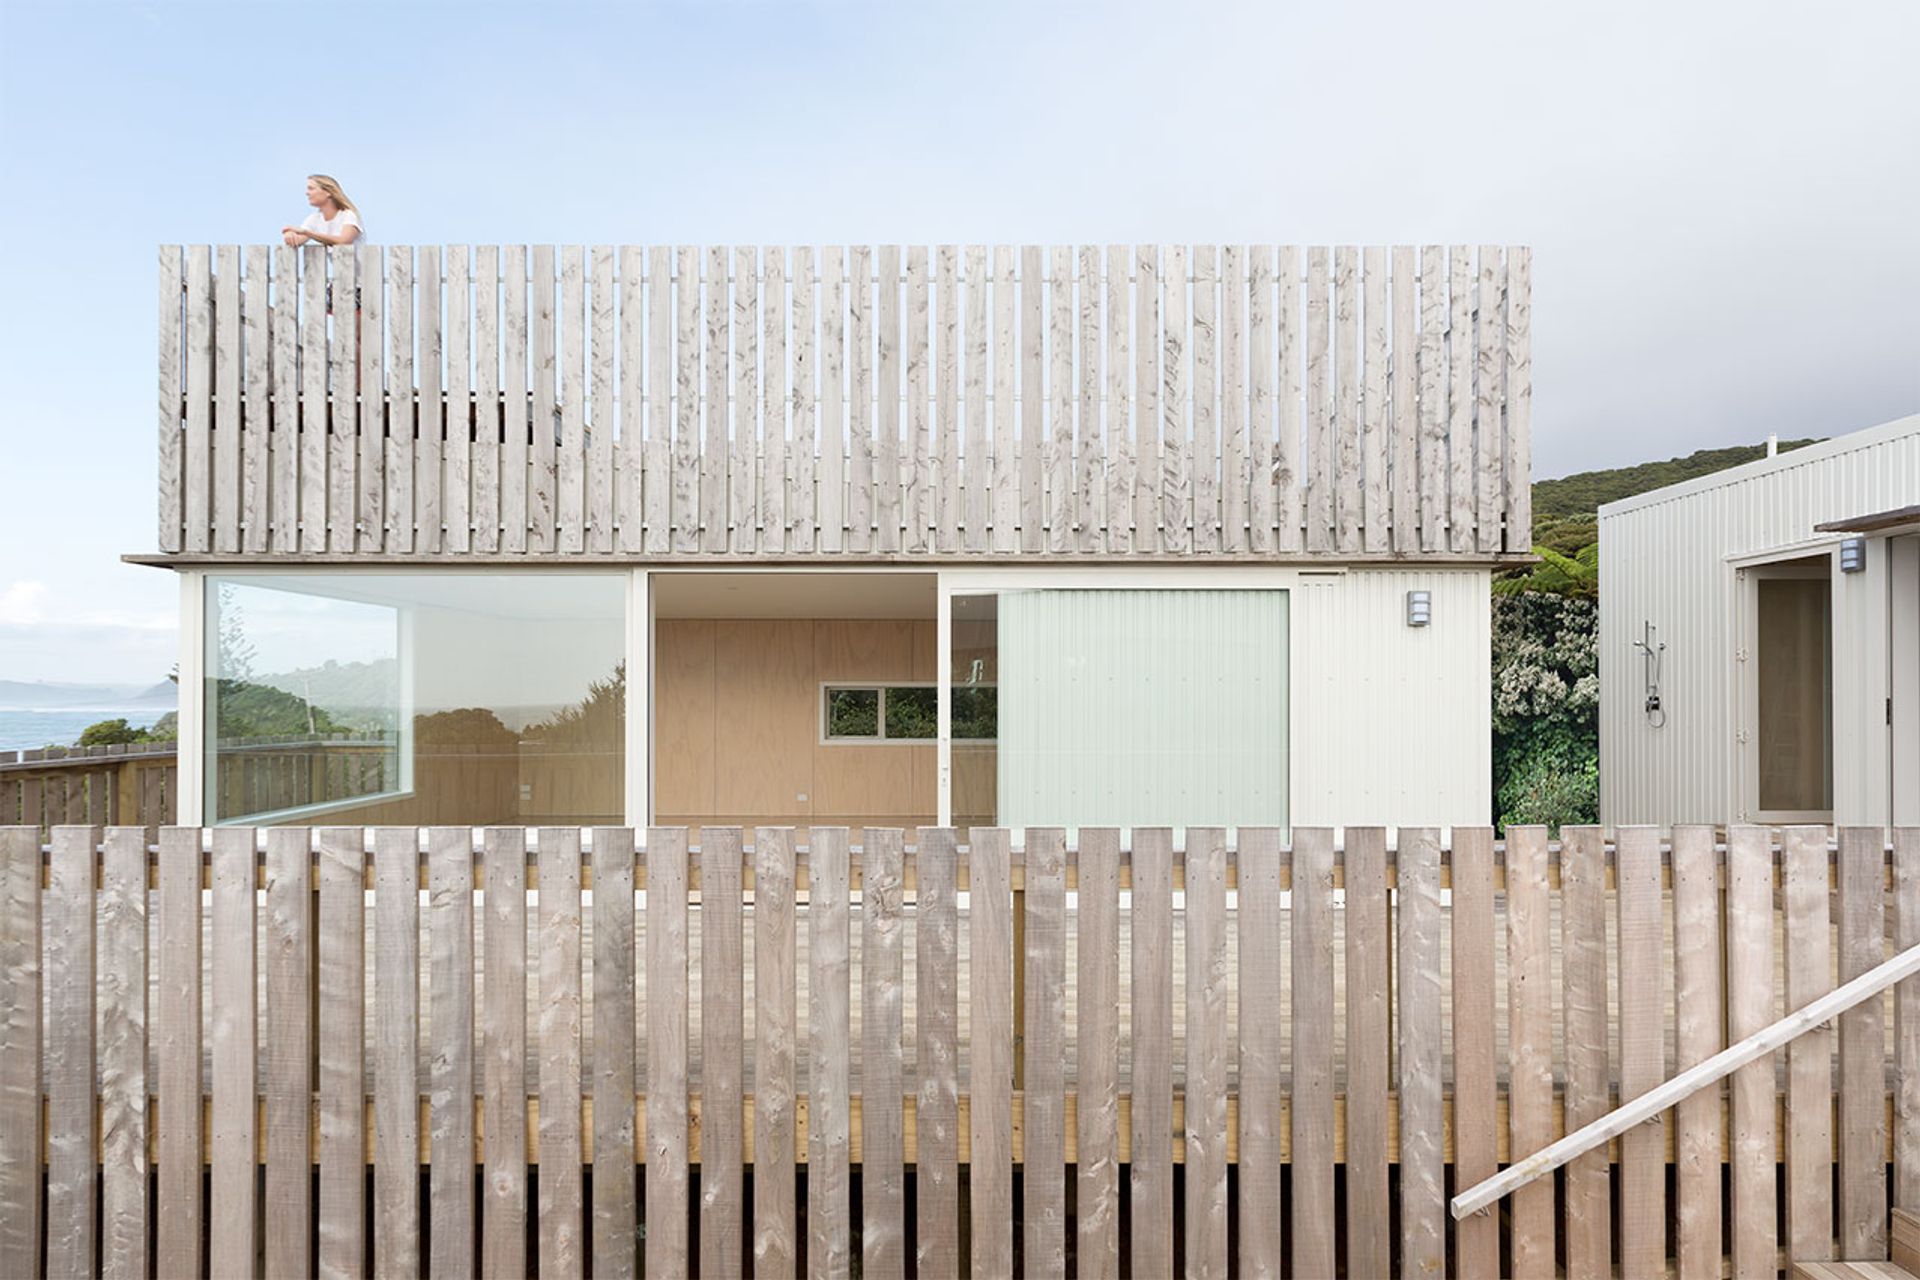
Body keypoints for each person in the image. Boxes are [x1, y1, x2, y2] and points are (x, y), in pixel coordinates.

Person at [282, 174, 362, 248]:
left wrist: (307, 232)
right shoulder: (314, 219)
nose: (307, 193)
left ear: (328, 192)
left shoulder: (348, 215)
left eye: (311, 189)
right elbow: (298, 240)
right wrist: (289, 235)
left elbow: (344, 241)